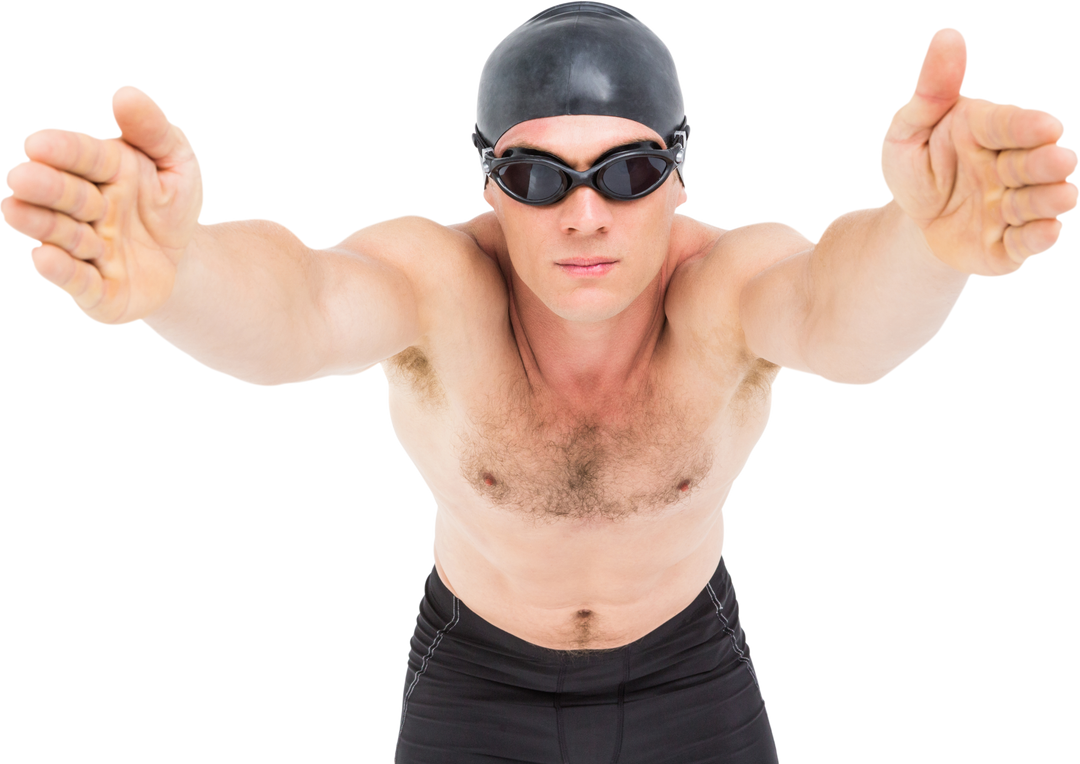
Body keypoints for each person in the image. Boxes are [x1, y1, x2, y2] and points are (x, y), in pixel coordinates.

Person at [3, 3, 1076, 762]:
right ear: (487, 181)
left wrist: (928, 246)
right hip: (476, 679)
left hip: (691, 669)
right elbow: (300, 307)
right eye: (536, 176)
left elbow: (843, 316)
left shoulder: (725, 289)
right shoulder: (440, 287)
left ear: (680, 169)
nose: (585, 213)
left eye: (627, 170)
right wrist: (176, 273)